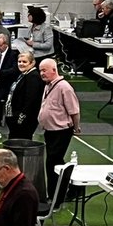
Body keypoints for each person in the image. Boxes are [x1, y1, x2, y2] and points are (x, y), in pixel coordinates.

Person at [37, 59, 80, 198]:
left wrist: (76, 127)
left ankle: (56, 195)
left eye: (44, 70)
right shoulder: (47, 86)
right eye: (40, 71)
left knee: (52, 163)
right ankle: (73, 186)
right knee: (56, 162)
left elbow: (74, 111)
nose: (42, 73)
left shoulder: (64, 87)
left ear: (54, 70)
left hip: (61, 131)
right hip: (49, 131)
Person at [5, 51, 43, 141]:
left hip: (24, 120)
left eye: (24, 62)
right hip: (15, 117)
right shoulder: (24, 75)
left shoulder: (33, 77)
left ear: (32, 63)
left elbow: (30, 100)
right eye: (19, 61)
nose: (21, 64)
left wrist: (20, 118)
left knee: (20, 143)